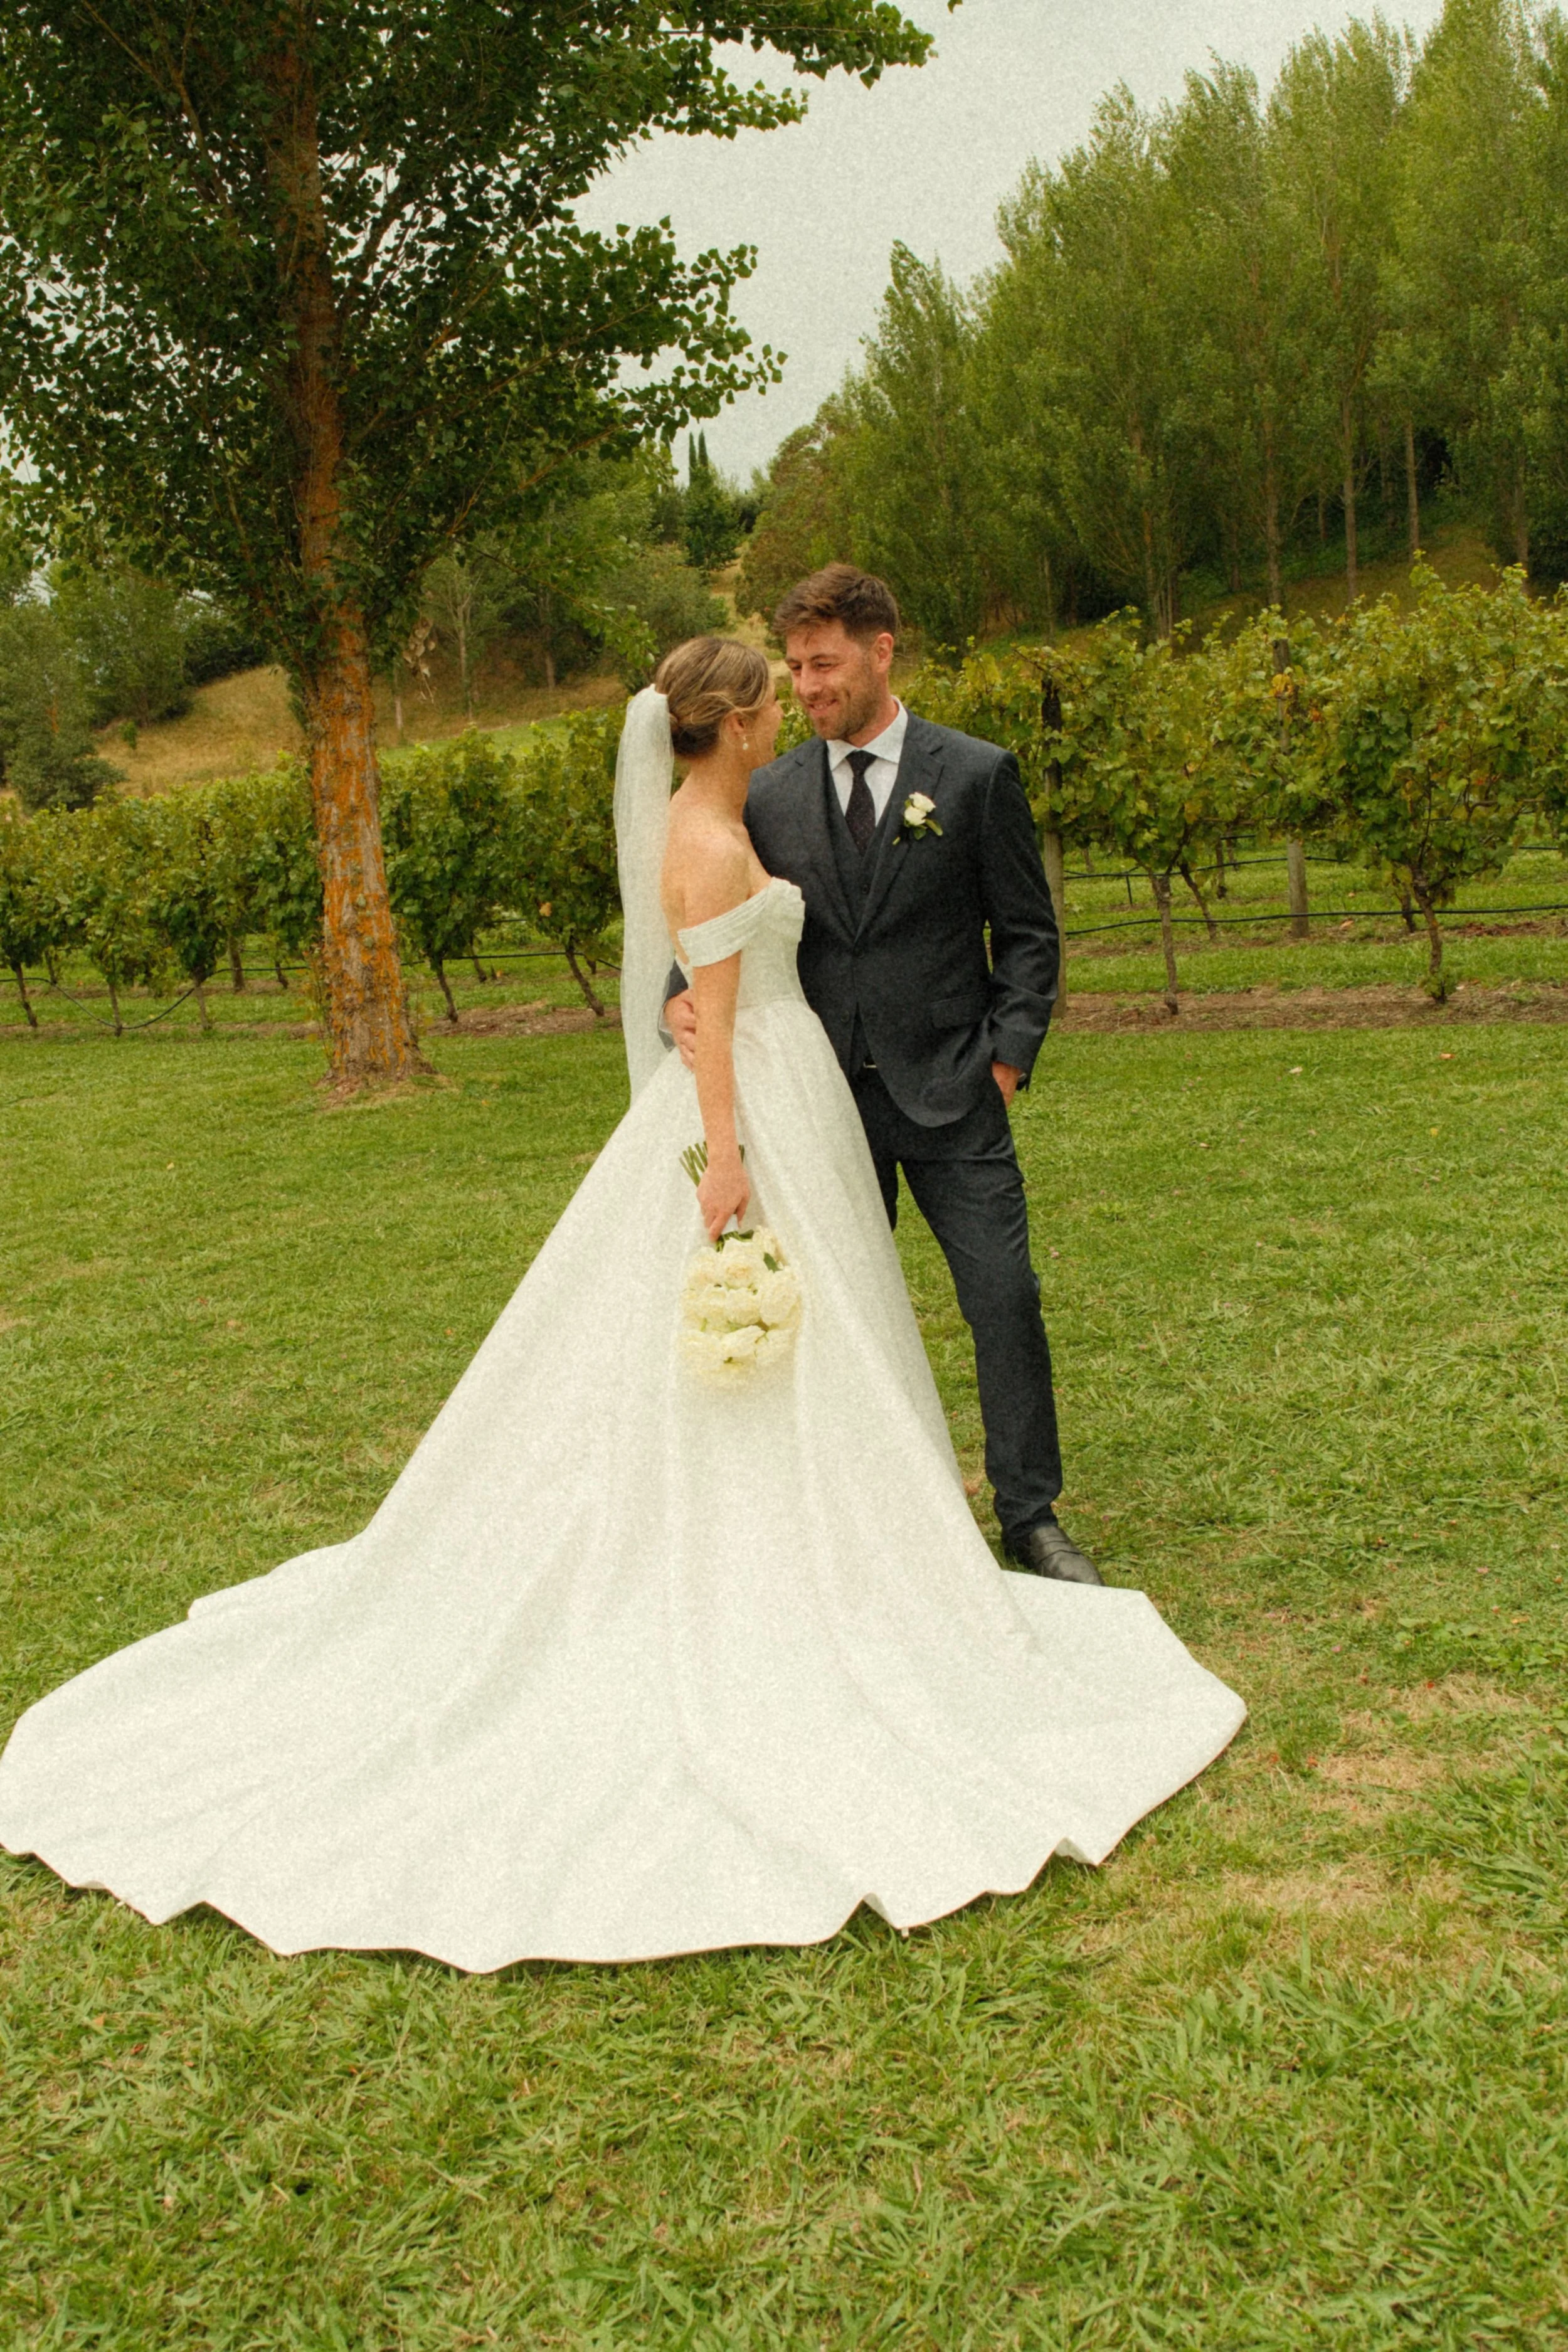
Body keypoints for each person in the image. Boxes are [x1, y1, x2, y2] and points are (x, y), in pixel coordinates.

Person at [0, 639, 1244, 1971]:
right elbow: (698, 1004)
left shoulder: (720, 812)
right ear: (727, 719)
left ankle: (918, 1522)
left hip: (803, 1087)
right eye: (771, 694)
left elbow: (696, 985)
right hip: (747, 1110)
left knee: (846, 1340)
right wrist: (722, 1160)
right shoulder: (711, 834)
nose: (786, 708)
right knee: (759, 1341)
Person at [665, 566, 1094, 1586]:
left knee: (1004, 1295)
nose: (809, 688)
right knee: (833, 1309)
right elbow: (711, 922)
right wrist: (671, 1001)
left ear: (882, 649)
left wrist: (1004, 1063)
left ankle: (1031, 1516)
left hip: (955, 1093)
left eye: (825, 664)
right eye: (798, 670)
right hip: (818, 1108)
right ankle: (845, 1516)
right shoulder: (763, 791)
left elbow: (1029, 938)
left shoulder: (978, 775)